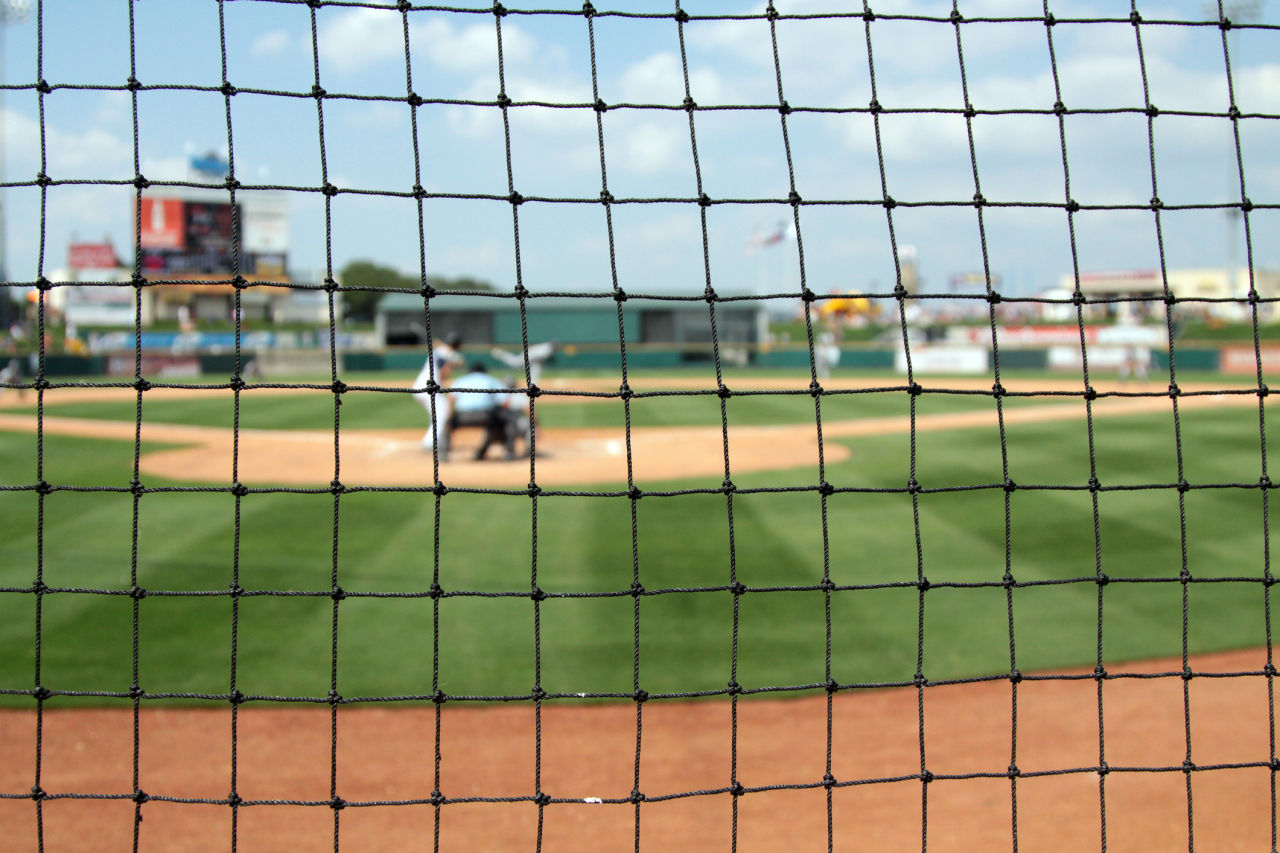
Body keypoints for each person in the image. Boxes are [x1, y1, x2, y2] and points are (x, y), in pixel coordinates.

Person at [444, 362, 518, 461]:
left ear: (470, 372)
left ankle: (443, 454)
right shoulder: (491, 380)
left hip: (462, 416)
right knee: (508, 421)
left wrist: (449, 417)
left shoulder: (461, 380)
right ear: (484, 372)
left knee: (445, 425)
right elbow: (505, 402)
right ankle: (509, 453)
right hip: (486, 416)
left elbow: (451, 399)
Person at [413, 331, 464, 451]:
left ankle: (435, 441)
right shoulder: (444, 353)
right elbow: (444, 373)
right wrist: (452, 363)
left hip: (424, 387)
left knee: (440, 413)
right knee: (443, 413)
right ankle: (429, 443)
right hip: (427, 388)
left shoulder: (443, 352)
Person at [490, 340, 556, 386]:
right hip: (529, 356)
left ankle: (533, 386)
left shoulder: (546, 347)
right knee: (515, 362)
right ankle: (500, 353)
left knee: (536, 371)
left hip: (534, 360)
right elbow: (539, 357)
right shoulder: (547, 349)